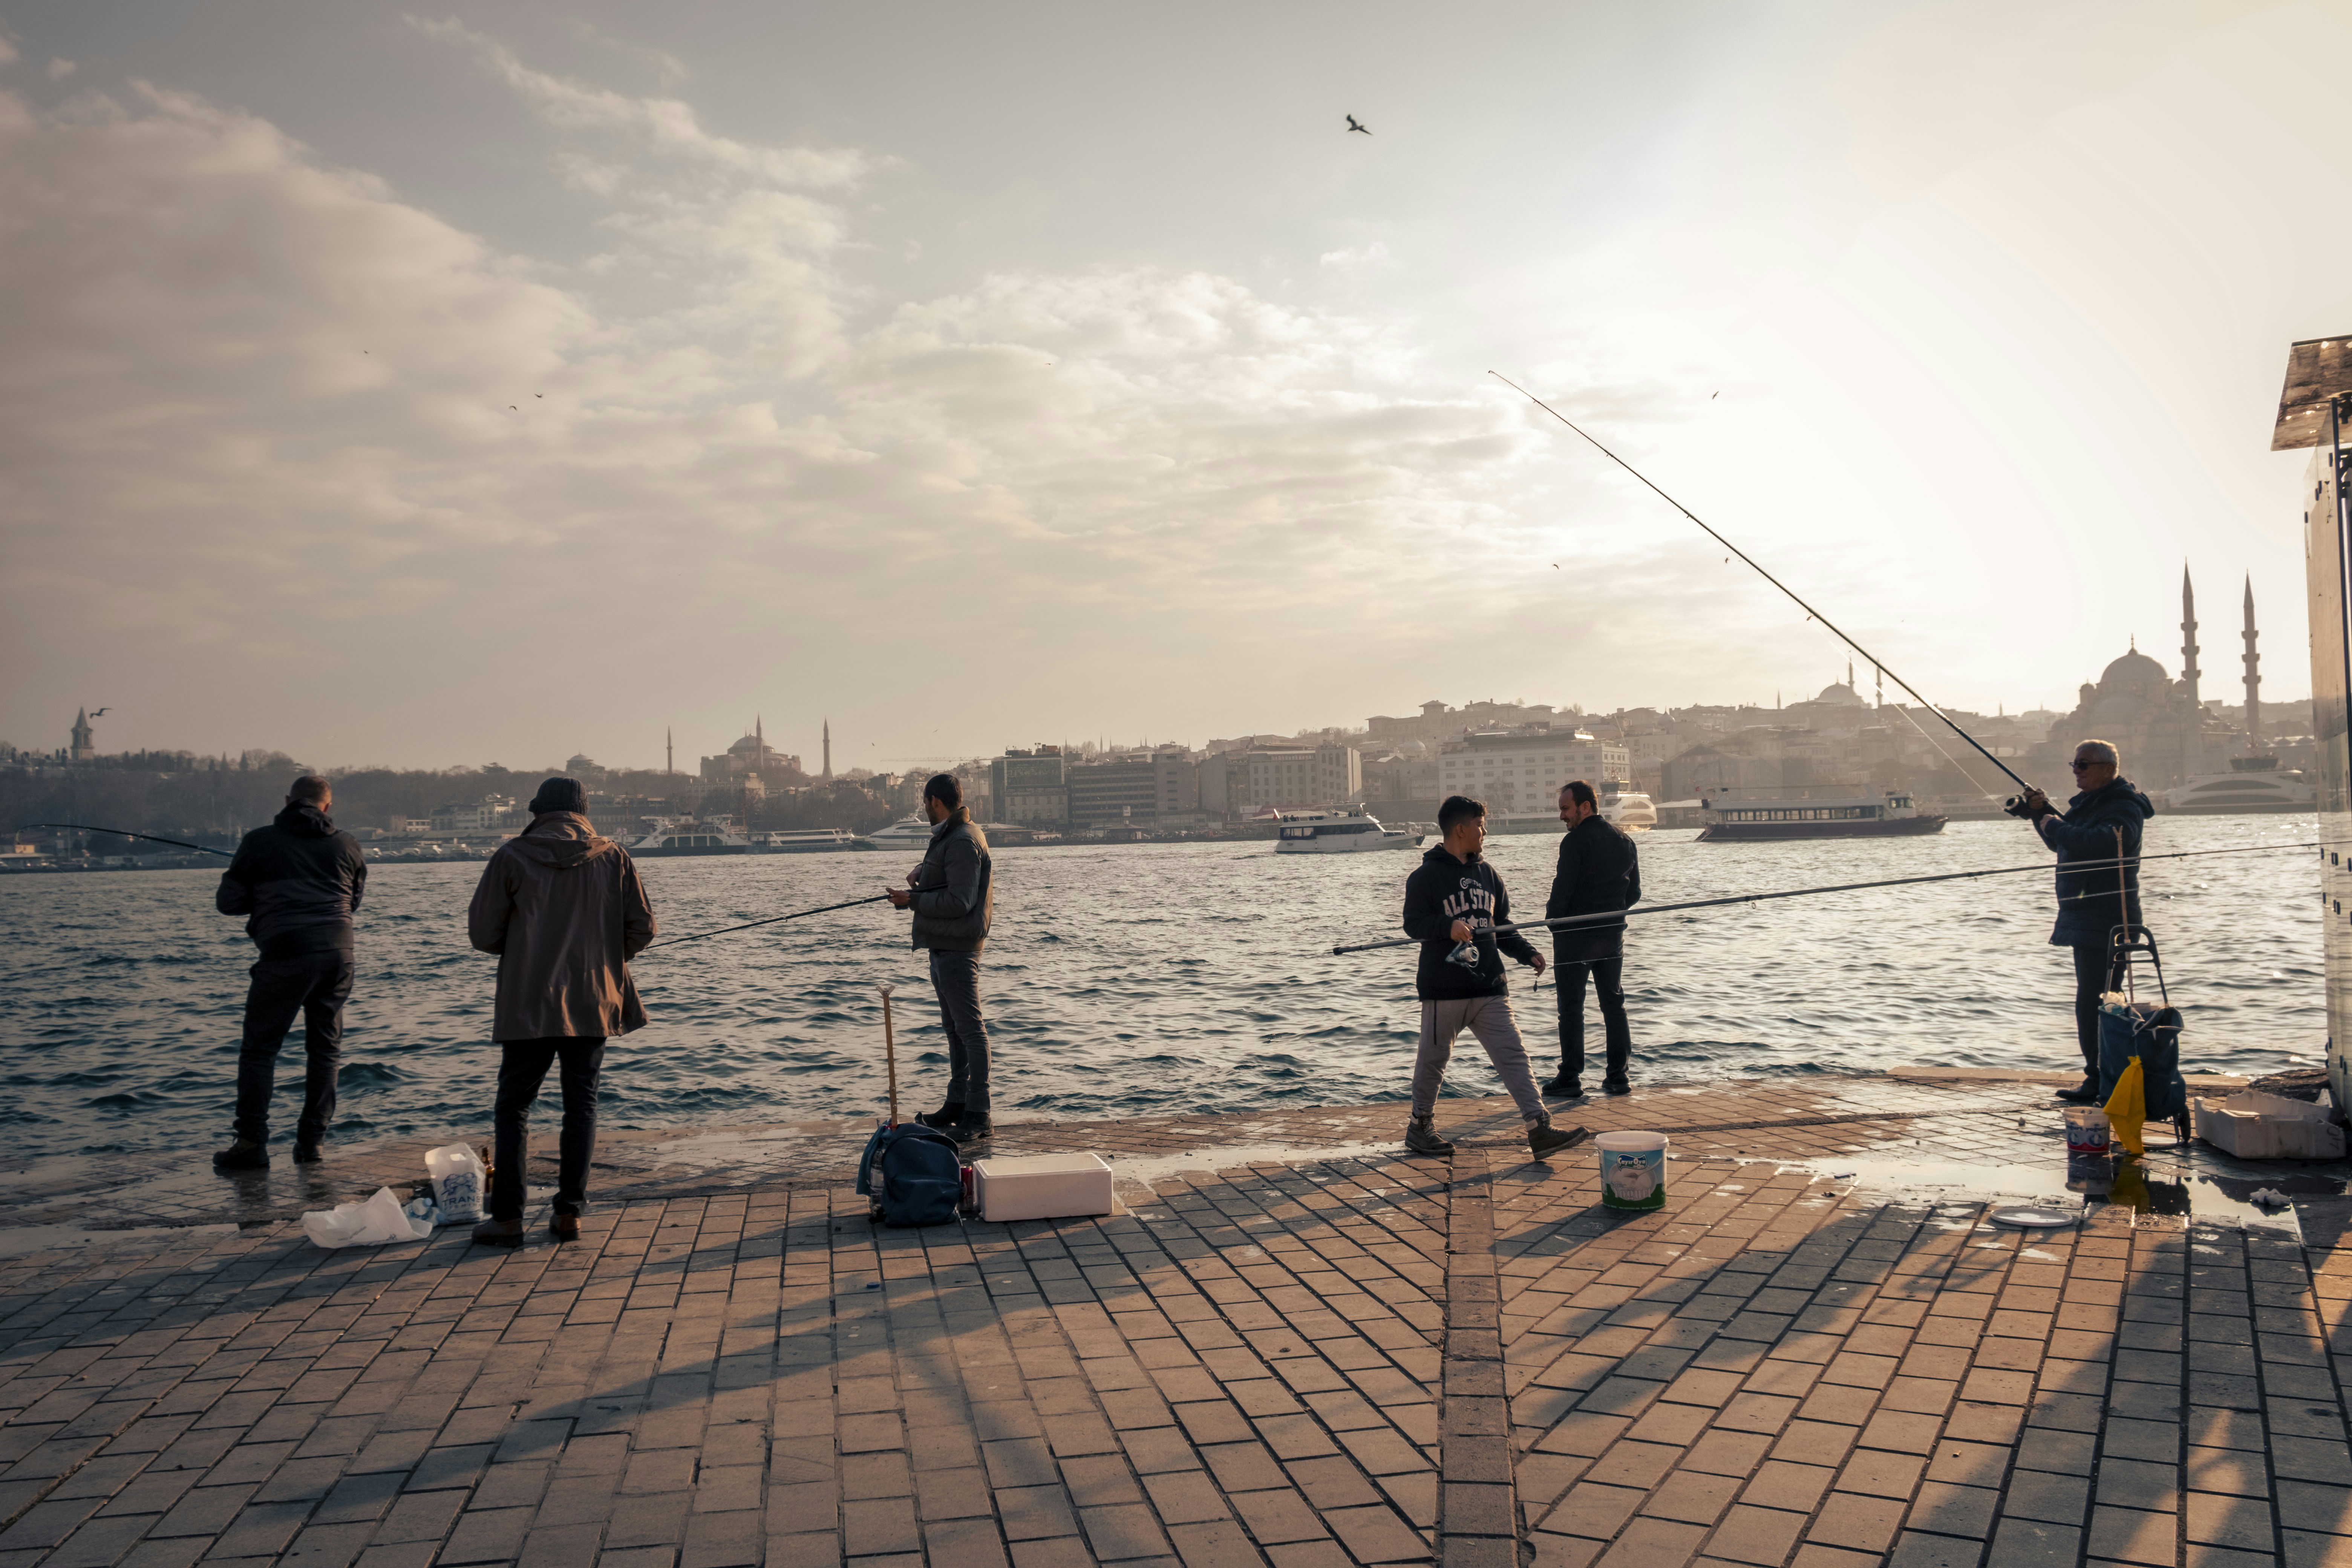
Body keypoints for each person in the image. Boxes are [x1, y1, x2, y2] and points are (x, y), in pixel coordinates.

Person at [466, 778, 657, 1243]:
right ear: (583, 811)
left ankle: (508, 1218)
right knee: (582, 1104)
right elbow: (644, 927)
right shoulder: (613, 856)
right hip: (592, 1000)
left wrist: (524, 946)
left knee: (514, 1107)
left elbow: (483, 935)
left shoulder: (512, 856)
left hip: (528, 1001)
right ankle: (569, 1212)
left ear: (538, 811)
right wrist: (607, 957)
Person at [1398, 795, 1588, 1160]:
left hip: (1490, 986)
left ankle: (1539, 1127)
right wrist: (1447, 926)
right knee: (1433, 1061)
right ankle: (1420, 1126)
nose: (1484, 832)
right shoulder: (1425, 877)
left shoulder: (1489, 875)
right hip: (1444, 989)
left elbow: (1501, 926)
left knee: (1514, 1055)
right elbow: (1413, 923)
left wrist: (1527, 953)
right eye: (1480, 825)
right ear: (1460, 829)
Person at [212, 775, 368, 1171]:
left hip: (285, 952)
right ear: (327, 807)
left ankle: (251, 1143)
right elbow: (353, 901)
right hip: (338, 953)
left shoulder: (259, 841)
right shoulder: (347, 844)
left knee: (260, 1050)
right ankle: (312, 1144)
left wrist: (260, 891)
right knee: (325, 1049)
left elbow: (228, 902)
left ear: (288, 801)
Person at [2015, 739, 2154, 1103]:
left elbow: (2102, 843)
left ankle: (2104, 1079)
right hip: (2087, 915)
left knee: (2100, 1000)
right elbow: (2063, 843)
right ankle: (2101, 1076)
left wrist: (2055, 826)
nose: (2076, 771)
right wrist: (2040, 814)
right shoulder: (2093, 804)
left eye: (2084, 765)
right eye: (2074, 764)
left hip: (2110, 917)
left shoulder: (2124, 806)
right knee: (2091, 1000)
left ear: (2108, 769)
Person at [890, 774, 996, 1144]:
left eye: (925, 802)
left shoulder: (963, 839)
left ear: (936, 801)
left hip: (959, 948)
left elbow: (960, 902)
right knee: (955, 1030)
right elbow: (950, 881)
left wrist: (913, 900)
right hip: (944, 945)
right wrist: (922, 874)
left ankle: (979, 1114)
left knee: (971, 1031)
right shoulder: (951, 836)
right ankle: (957, 1103)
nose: (924, 808)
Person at [1543, 779, 1642, 1099]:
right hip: (1612, 935)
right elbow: (1635, 892)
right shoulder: (1625, 840)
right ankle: (1618, 1077)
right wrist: (1613, 913)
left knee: (1571, 1007)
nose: (1562, 816)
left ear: (1585, 807)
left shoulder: (1575, 842)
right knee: (1614, 1004)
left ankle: (1570, 1077)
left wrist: (1554, 923)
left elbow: (1563, 890)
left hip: (1575, 936)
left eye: (1566, 809)